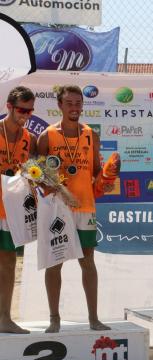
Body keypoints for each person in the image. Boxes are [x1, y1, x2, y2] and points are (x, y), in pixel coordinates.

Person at [37, 85, 111, 333]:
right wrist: (61, 190)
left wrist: (109, 177)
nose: (75, 107)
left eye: (78, 103)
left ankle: (93, 319)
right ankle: (54, 319)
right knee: (54, 263)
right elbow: (38, 175)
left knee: (87, 261)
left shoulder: (90, 134)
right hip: (58, 209)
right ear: (59, 105)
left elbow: (96, 172)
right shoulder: (47, 136)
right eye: (69, 103)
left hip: (85, 207)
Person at [0, 86, 36, 334]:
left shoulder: (27, 138)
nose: (26, 115)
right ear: (9, 107)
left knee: (9, 263)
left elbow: (25, 169)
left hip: (8, 210)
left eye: (30, 111)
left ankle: (5, 319)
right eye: (22, 109)